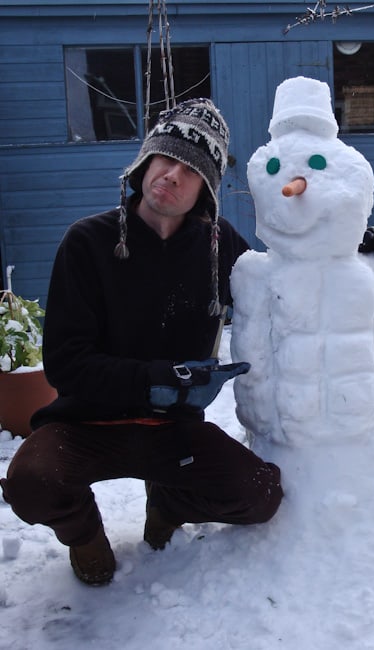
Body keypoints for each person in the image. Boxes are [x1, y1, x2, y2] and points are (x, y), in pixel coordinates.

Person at [0, 98, 284, 587]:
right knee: (31, 484)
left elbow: (281, 281)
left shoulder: (220, 247)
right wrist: (155, 379)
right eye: (165, 159)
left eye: (191, 170)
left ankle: (170, 502)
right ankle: (85, 536)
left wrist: (344, 244)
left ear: (206, 192)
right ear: (145, 162)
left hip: (171, 430)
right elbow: (66, 365)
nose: (172, 175)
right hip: (84, 425)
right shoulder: (87, 242)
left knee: (260, 494)